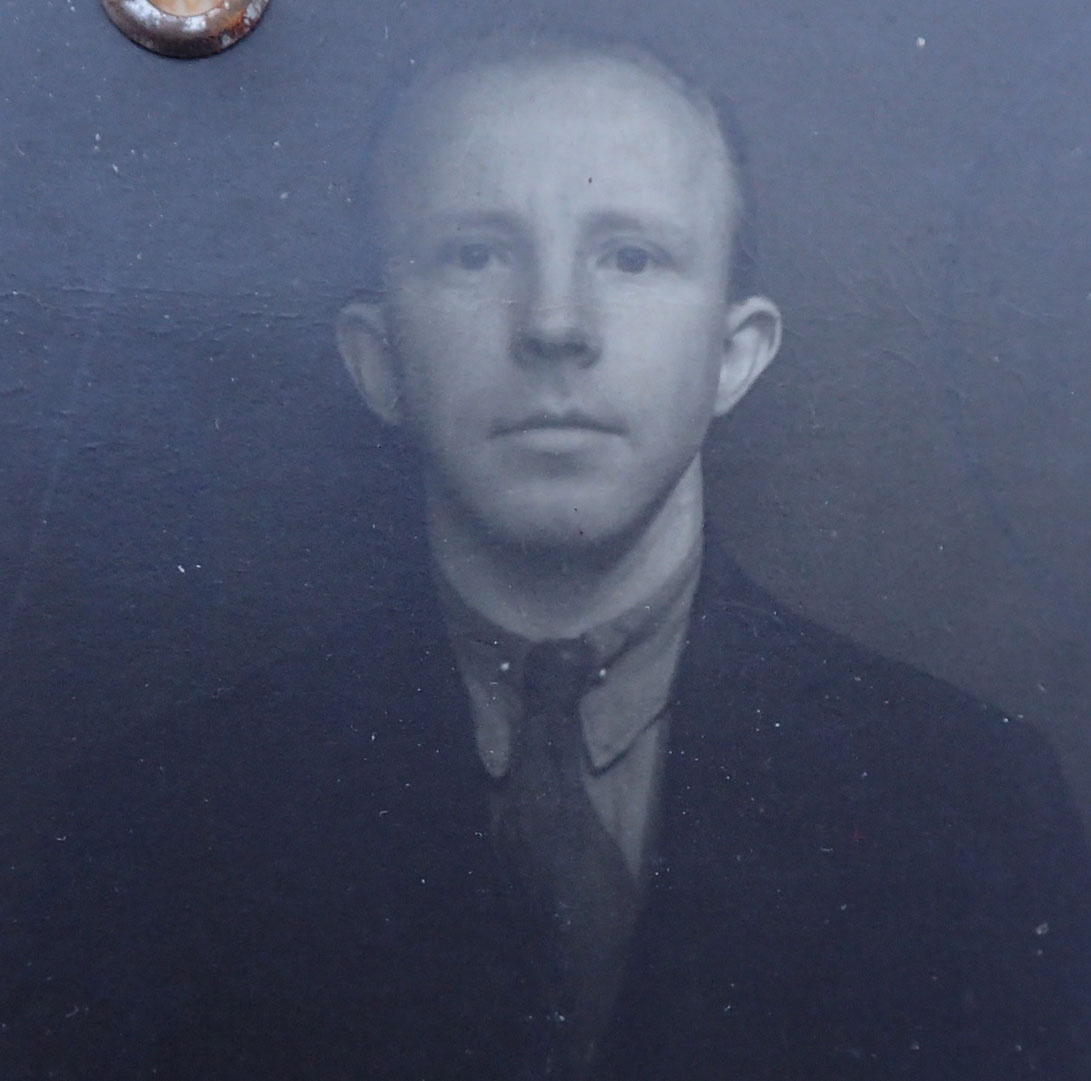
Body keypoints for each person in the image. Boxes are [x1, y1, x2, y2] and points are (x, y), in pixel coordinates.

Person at [11, 31, 1090, 1081]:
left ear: (732, 355)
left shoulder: (973, 802)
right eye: (475, 255)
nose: (555, 325)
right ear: (378, 360)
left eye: (631, 256)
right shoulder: (149, 824)